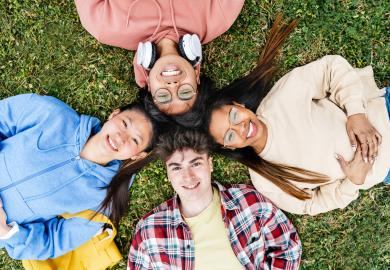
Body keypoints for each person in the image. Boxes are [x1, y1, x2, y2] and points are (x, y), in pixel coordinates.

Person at [204, 18, 390, 215]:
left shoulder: (279, 101)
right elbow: (311, 205)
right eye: (230, 136)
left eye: (234, 116)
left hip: (384, 111)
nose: (240, 128)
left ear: (238, 105)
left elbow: (330, 68)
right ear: (230, 147)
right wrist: (353, 182)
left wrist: (356, 114)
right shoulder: (265, 180)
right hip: (385, 166)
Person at [0, 93, 157, 259]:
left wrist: (7, 232)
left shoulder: (103, 201)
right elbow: (4, 116)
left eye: (135, 140)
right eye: (124, 123)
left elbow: (54, 242)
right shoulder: (52, 114)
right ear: (114, 114)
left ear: (138, 155)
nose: (121, 137)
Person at [128, 128, 302, 269]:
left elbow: (288, 248)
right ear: (168, 173)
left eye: (196, 164)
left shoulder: (249, 202)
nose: (188, 177)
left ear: (210, 164)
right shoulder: (149, 229)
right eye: (176, 168)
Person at [75, 0, 244, 121]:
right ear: (197, 75)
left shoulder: (105, 27)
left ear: (148, 83)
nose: (173, 86)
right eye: (185, 93)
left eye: (163, 96)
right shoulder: (218, 17)